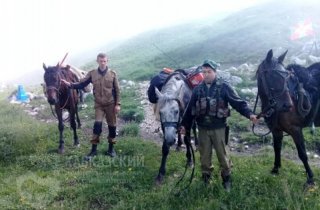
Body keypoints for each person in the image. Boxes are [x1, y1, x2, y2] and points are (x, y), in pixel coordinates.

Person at [180, 59, 258, 191]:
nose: (206, 74)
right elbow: (189, 110)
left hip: (219, 129)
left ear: (215, 72)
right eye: (204, 72)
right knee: (204, 156)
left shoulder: (224, 87)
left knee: (223, 155)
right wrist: (184, 125)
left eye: (209, 71)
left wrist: (250, 114)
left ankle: (226, 178)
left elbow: (238, 102)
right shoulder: (197, 90)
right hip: (203, 129)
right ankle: (206, 177)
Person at [61, 53, 121, 160]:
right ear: (97, 61)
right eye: (100, 61)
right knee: (97, 126)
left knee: (112, 127)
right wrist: (70, 84)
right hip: (99, 105)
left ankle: (111, 149)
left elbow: (117, 90)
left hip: (111, 104)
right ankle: (93, 150)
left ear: (107, 61)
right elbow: (81, 84)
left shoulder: (112, 74)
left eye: (104, 61)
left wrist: (117, 104)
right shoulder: (92, 74)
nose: (102, 63)